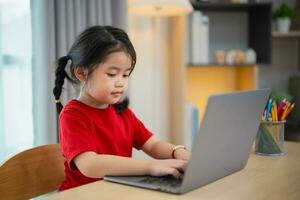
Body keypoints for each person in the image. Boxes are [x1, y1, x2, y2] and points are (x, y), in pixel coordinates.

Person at [53, 25, 191, 191]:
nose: (121, 82)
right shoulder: (72, 115)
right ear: (82, 73)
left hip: (118, 191)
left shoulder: (121, 111)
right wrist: (150, 166)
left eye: (125, 74)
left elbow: (153, 145)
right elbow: (90, 164)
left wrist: (178, 152)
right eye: (112, 74)